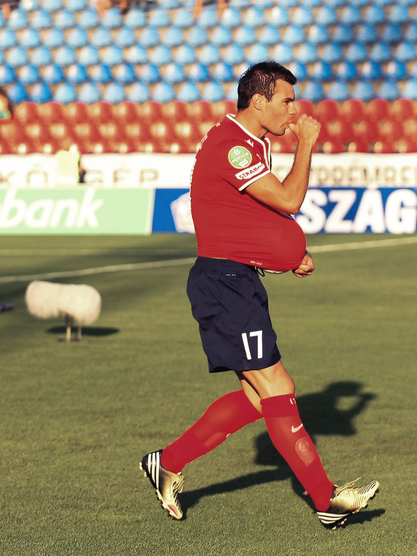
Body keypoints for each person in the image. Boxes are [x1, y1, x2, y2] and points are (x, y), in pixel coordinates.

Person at [138, 61, 379, 530]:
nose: (294, 110)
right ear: (259, 101)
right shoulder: (232, 146)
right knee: (278, 387)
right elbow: (288, 201)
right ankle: (326, 500)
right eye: (287, 101)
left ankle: (167, 462)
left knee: (255, 398)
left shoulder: (251, 142)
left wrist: (284, 254)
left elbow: (241, 215)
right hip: (224, 285)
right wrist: (306, 144)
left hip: (238, 280)